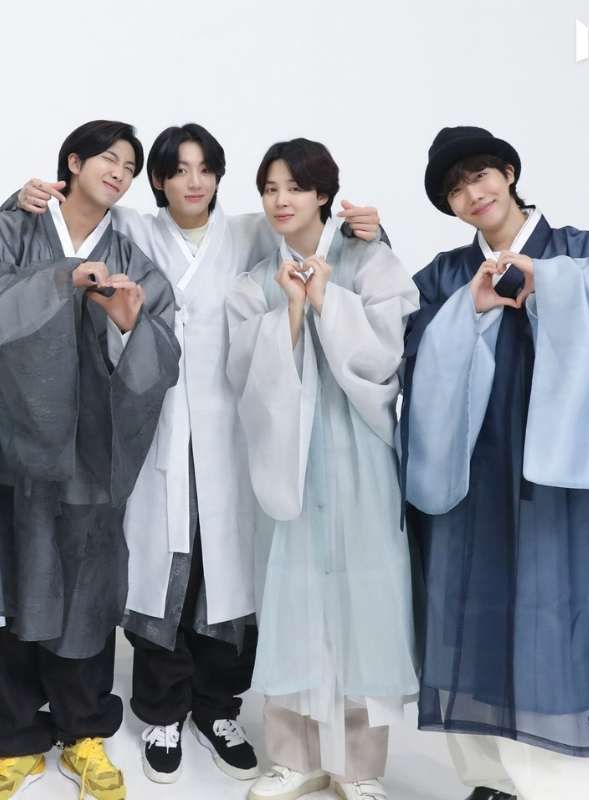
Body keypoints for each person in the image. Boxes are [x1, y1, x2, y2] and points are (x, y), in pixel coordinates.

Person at [15, 125, 384, 788]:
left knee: (229, 571)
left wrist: (369, 229)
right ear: (156, 180)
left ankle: (219, 707)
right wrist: (28, 197)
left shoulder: (248, 232)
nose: (194, 182)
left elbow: (311, 231)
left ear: (219, 177)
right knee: (162, 568)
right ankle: (162, 710)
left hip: (235, 425)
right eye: (178, 170)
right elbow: (78, 216)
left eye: (206, 169)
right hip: (153, 421)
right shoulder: (134, 227)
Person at [0, 120, 180, 800]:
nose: (119, 172)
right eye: (108, 158)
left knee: (87, 586)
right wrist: (63, 279)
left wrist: (128, 325)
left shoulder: (131, 254)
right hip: (17, 444)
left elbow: (162, 340)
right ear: (73, 162)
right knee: (12, 586)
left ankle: (84, 732)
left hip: (92, 450)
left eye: (130, 166)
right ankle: (15, 740)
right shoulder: (12, 229)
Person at [402, 126, 589, 800]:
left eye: (480, 175)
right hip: (471, 473)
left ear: (508, 173)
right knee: (467, 612)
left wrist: (550, 282)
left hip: (563, 483)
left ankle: (562, 788)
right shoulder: (444, 276)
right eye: (455, 189)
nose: (472, 194)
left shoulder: (582, 253)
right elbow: (408, 354)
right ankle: (490, 780)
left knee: (556, 619)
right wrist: (465, 313)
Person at [222, 138, 417, 800]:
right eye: (269, 188)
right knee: (292, 598)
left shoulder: (372, 262)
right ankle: (294, 757)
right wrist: (291, 311)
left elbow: (385, 356)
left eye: (295, 187)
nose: (281, 200)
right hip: (290, 461)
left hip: (360, 456)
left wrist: (329, 298)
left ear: (324, 195)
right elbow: (244, 377)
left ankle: (360, 767)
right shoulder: (254, 282)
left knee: (367, 599)